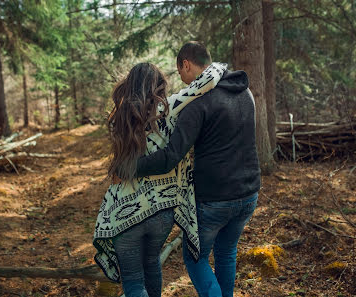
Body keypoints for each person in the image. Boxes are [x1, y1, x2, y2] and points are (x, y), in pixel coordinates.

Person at [135, 41, 261, 297]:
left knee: (195, 259)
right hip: (249, 194)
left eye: (180, 72)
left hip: (214, 200)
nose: (181, 80)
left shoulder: (198, 102)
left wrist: (132, 166)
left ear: (187, 64)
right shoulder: (244, 92)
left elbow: (171, 156)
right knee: (226, 254)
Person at [93, 62, 227, 297]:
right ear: (159, 85)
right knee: (152, 263)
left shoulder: (118, 118)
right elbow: (205, 82)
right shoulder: (169, 108)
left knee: (134, 282)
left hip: (124, 210)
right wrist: (217, 66)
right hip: (161, 211)